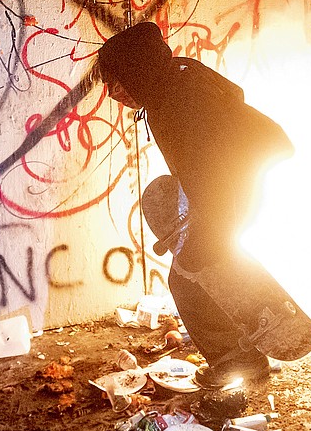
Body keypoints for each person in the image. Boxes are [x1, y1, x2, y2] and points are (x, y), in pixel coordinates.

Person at [95, 21, 295, 389]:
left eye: (117, 79)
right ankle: (244, 332)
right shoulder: (176, 77)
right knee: (210, 263)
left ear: (137, 69)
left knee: (189, 276)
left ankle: (239, 360)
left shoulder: (175, 101)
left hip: (244, 175)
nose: (113, 93)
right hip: (257, 166)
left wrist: (207, 242)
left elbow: (210, 173)